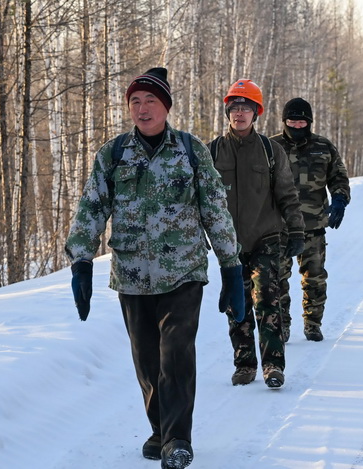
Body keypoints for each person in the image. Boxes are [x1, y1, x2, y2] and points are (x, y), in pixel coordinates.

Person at [66, 67, 245, 469]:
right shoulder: (113, 154)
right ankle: (161, 429)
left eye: (150, 101)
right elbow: (92, 208)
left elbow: (214, 208)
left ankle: (178, 439)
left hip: (183, 272)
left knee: (175, 354)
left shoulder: (190, 150)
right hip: (132, 274)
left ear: (165, 107)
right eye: (135, 102)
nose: (142, 109)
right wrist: (80, 261)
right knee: (146, 360)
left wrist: (230, 266)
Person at [208, 79, 305, 389]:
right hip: (229, 244)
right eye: (234, 108)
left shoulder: (270, 150)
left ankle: (273, 365)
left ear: (256, 112)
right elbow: (201, 201)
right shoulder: (212, 152)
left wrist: (297, 231)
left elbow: (288, 195)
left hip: (267, 237)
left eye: (246, 108)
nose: (240, 114)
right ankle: (245, 364)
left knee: (266, 299)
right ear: (227, 112)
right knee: (237, 305)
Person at [270, 97, 350, 343]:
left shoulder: (323, 146)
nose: (297, 124)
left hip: (313, 225)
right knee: (278, 281)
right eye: (292, 120)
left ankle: (313, 323)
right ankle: (281, 326)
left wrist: (340, 199)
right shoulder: (270, 146)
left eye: (302, 120)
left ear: (310, 122)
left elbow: (339, 177)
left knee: (314, 278)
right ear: (284, 121)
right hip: (279, 226)